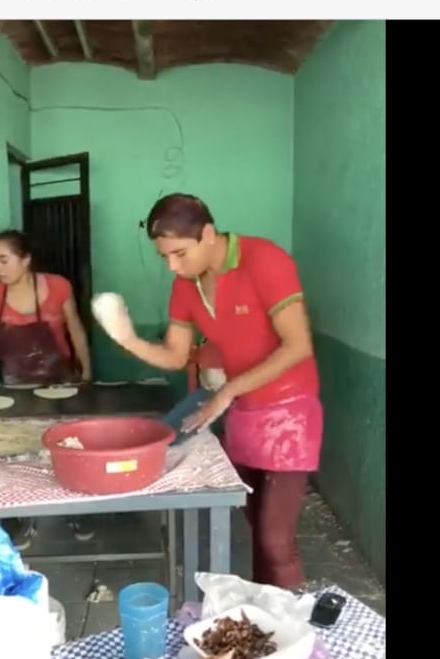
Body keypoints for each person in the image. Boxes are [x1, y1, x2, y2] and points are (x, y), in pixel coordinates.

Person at [94, 194, 322, 590]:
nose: (172, 266)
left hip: (290, 411)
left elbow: (298, 345)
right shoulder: (186, 286)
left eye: (180, 253)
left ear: (209, 234)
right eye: (164, 257)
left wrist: (227, 391)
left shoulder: (264, 260)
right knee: (256, 523)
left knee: (276, 538)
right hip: (243, 411)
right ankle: (265, 607)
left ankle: (291, 621)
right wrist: (127, 339)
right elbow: (175, 356)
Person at [0, 229, 96, 546]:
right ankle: (24, 516)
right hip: (16, 387)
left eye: (4, 259)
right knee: (19, 454)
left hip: (61, 380)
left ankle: (76, 511)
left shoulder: (57, 287)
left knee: (67, 449)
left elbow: (75, 329)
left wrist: (87, 374)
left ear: (25, 260)